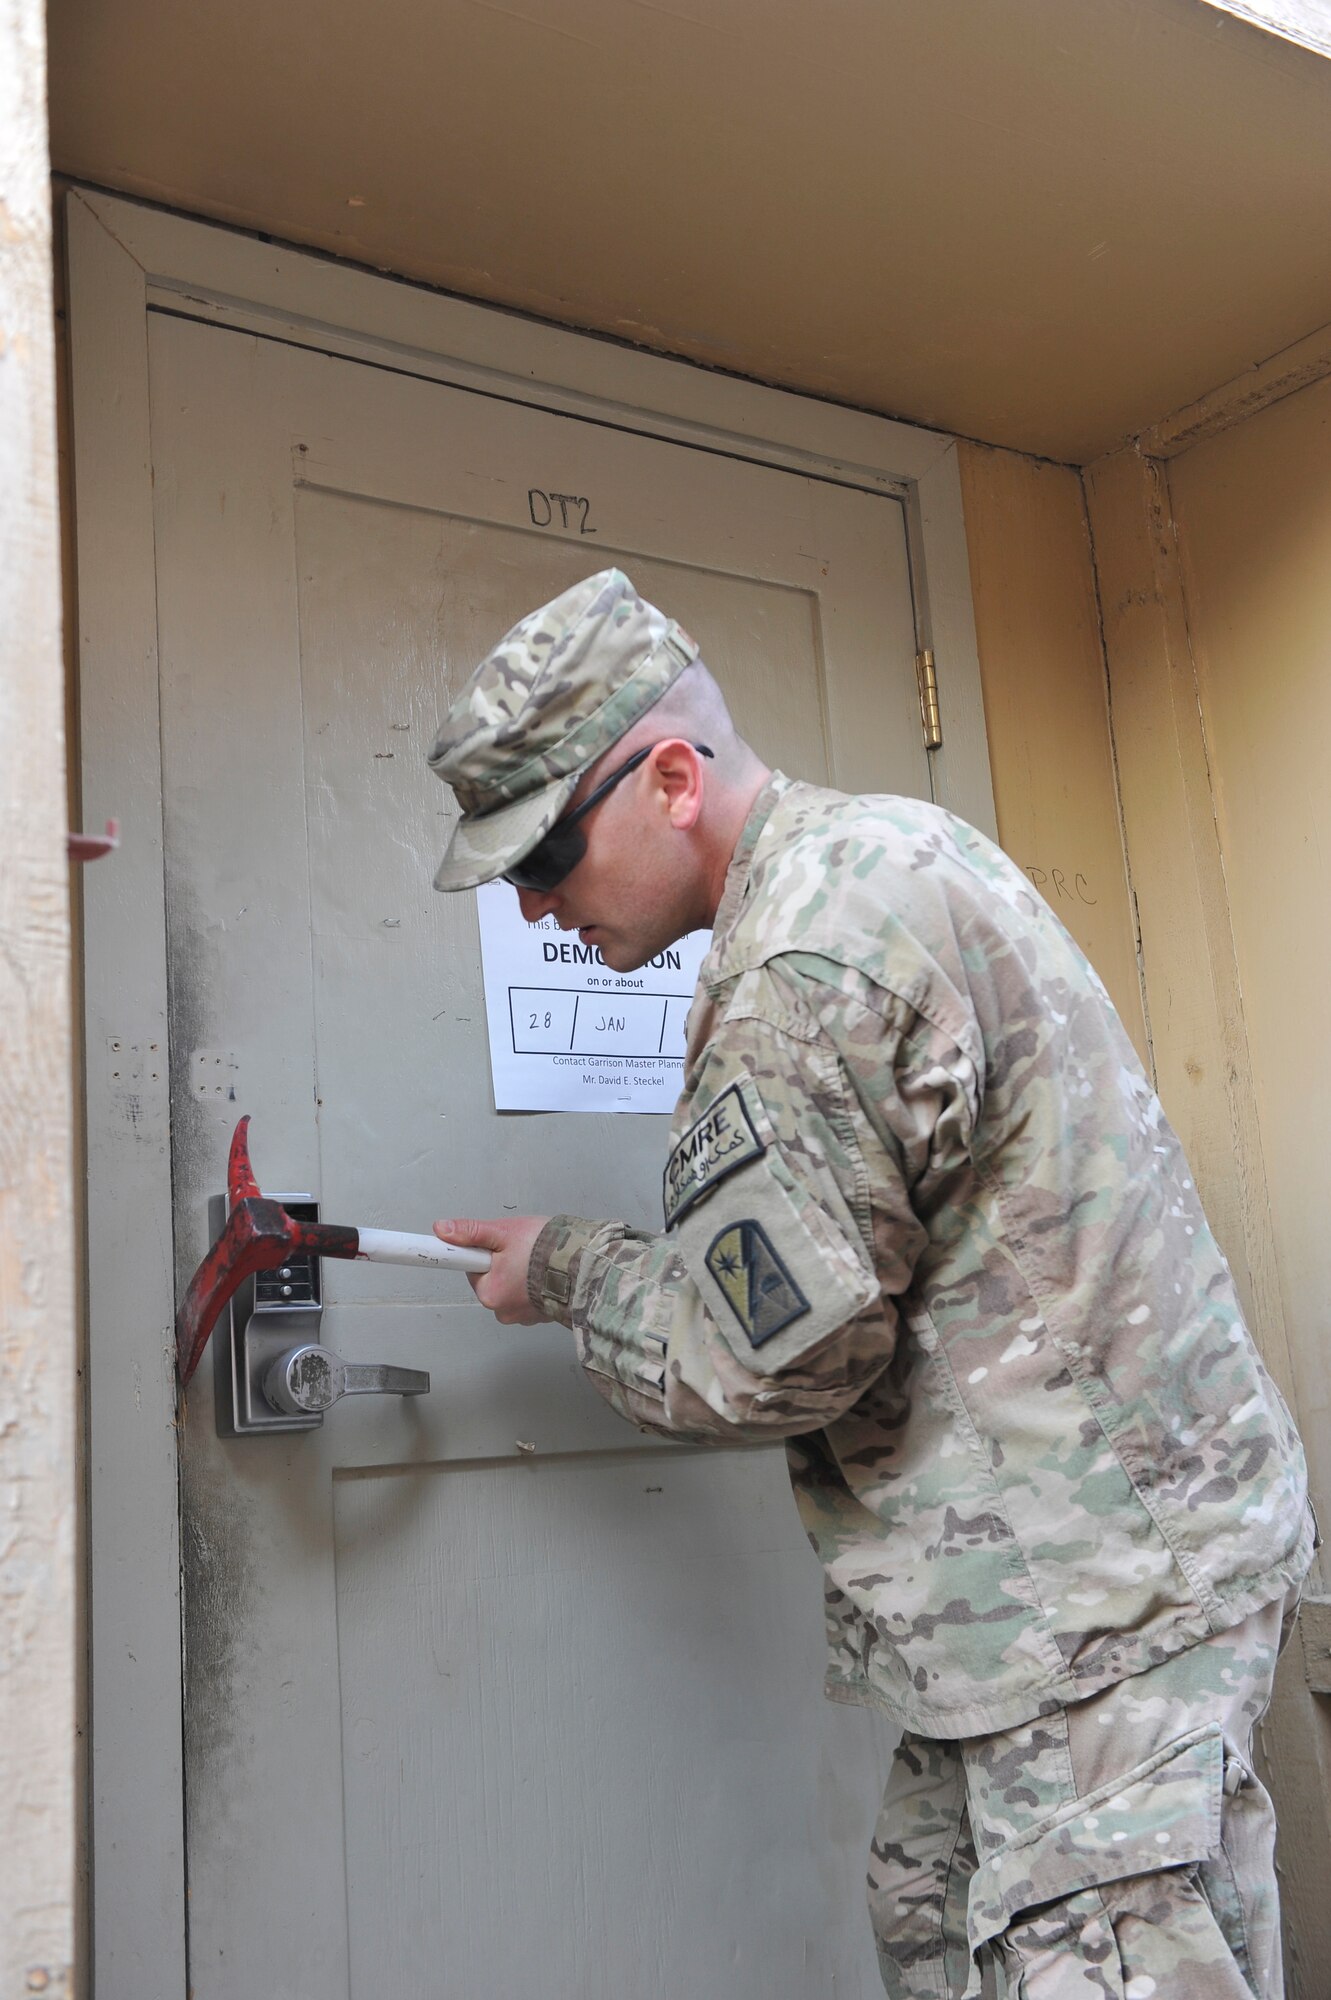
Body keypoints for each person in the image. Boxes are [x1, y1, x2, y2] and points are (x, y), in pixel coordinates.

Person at [427, 568, 1313, 1999]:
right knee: (930, 1922)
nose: (534, 915)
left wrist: (568, 1272)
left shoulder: (801, 964)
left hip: (1085, 1612)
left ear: (669, 778)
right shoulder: (891, 846)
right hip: (1057, 1591)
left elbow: (767, 1363)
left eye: (543, 865)